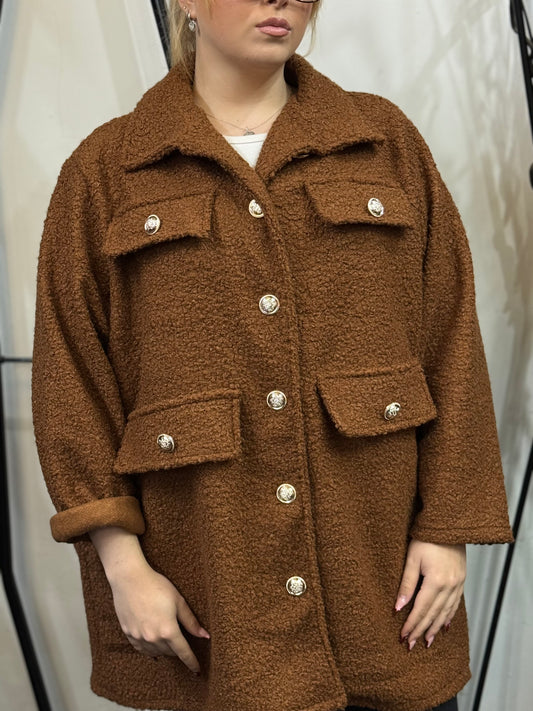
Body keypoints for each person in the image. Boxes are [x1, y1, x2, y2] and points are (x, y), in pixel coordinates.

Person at [31, 2, 514, 711]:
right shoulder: (107, 171)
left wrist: (447, 531)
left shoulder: (384, 144)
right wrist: (122, 566)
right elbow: (71, 379)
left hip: (383, 593)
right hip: (206, 605)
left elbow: (450, 341)